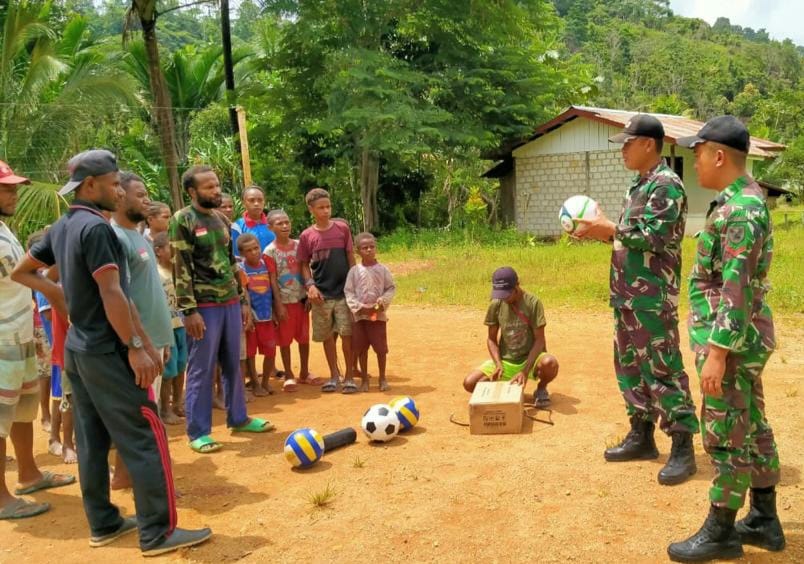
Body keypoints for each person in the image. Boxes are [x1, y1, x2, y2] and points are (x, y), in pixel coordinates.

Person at [12, 149, 211, 554]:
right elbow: (112, 291)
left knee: (91, 438)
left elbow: (23, 272)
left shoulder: (64, 225)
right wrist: (136, 345)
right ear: (91, 186)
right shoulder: (97, 230)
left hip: (79, 350)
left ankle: (103, 523)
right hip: (108, 351)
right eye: (114, 183)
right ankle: (158, 532)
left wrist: (58, 295)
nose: (119, 191)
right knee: (144, 434)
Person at [667, 117, 785, 561]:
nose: (693, 161)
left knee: (725, 431)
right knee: (752, 423)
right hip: (741, 338)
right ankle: (764, 520)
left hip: (731, 342)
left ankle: (721, 530)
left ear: (719, 155)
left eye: (696, 153)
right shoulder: (741, 202)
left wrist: (716, 353)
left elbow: (736, 286)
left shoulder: (740, 211)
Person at [575, 114, 699, 485]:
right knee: (629, 366)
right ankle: (641, 435)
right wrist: (602, 233)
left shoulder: (667, 186)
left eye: (628, 143)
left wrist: (610, 227)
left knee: (662, 369)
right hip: (627, 296)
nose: (623, 150)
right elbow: (631, 238)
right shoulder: (638, 186)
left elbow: (657, 237)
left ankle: (682, 446)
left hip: (652, 299)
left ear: (649, 144)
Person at [169, 165, 274, 454]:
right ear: (192, 191)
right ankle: (198, 431)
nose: (216, 191)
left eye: (216, 185)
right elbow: (181, 268)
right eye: (208, 187)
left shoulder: (221, 220)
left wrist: (241, 300)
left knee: (233, 363)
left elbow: (231, 263)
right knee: (202, 368)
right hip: (203, 306)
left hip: (229, 302)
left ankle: (238, 418)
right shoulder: (182, 220)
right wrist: (189, 311)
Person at [0, 160, 74, 521]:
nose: (14, 193)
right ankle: (0, 497)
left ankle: (28, 473)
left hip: (20, 334)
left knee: (22, 409)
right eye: (6, 187)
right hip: (1, 339)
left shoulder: (3, 229)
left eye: (13, 186)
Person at [112, 173, 174, 405]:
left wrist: (163, 339)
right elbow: (121, 296)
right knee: (140, 413)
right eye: (139, 195)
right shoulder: (117, 238)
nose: (147, 200)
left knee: (151, 408)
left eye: (146, 194)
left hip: (154, 342)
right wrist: (141, 344)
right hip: (140, 346)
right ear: (119, 197)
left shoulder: (140, 238)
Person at [463, 267, 558, 406]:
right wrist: (498, 364)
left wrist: (525, 372)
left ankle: (541, 388)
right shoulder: (496, 303)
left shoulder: (533, 303)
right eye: (500, 295)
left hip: (530, 360)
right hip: (506, 361)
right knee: (469, 383)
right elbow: (491, 339)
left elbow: (540, 340)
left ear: (516, 286)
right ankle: (505, 386)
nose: (504, 299)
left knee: (550, 363)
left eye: (506, 294)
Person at [297, 188, 357, 393]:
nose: (325, 211)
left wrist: (353, 285)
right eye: (321, 207)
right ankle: (334, 375)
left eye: (328, 206)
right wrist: (310, 285)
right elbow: (303, 264)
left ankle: (349, 376)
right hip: (321, 295)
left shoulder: (342, 229)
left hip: (344, 293)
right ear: (311, 209)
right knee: (328, 337)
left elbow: (350, 257)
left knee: (347, 335)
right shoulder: (306, 236)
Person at [264, 209, 321, 387]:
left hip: (301, 300)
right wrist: (278, 305)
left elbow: (306, 269)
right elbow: (272, 279)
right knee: (285, 340)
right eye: (280, 223)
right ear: (270, 227)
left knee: (303, 338)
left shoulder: (299, 245)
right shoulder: (269, 251)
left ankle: (304, 371)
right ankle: (289, 373)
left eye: (287, 222)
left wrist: (309, 294)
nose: (285, 225)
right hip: (284, 303)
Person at [344, 232, 396, 392]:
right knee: (361, 348)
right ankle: (365, 379)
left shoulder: (383, 270)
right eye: (365, 248)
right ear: (358, 251)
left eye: (372, 247)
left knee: (381, 349)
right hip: (360, 317)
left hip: (377, 316)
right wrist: (359, 307)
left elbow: (390, 288)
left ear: (376, 249)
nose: (369, 250)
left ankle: (382, 378)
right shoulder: (354, 271)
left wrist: (383, 301)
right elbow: (349, 291)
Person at [152, 232, 187, 425]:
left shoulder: (180, 272)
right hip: (167, 330)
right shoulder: (155, 274)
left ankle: (178, 403)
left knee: (181, 366)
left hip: (181, 326)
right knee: (168, 372)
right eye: (170, 247)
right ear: (158, 251)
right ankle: (164, 409)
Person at [237, 233, 278, 393]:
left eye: (256, 248)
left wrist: (275, 309)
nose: (254, 252)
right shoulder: (241, 269)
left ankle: (266, 382)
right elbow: (244, 292)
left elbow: (273, 288)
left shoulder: (266, 263)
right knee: (250, 353)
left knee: (270, 350)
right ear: (242, 254)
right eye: (249, 250)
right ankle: (255, 383)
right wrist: (248, 316)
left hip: (267, 315)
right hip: (251, 319)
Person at [232, 185, 274, 256]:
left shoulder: (273, 223)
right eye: (251, 200)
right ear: (244, 203)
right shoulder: (237, 226)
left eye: (260, 200)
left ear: (264, 202)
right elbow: (237, 255)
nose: (256, 204)